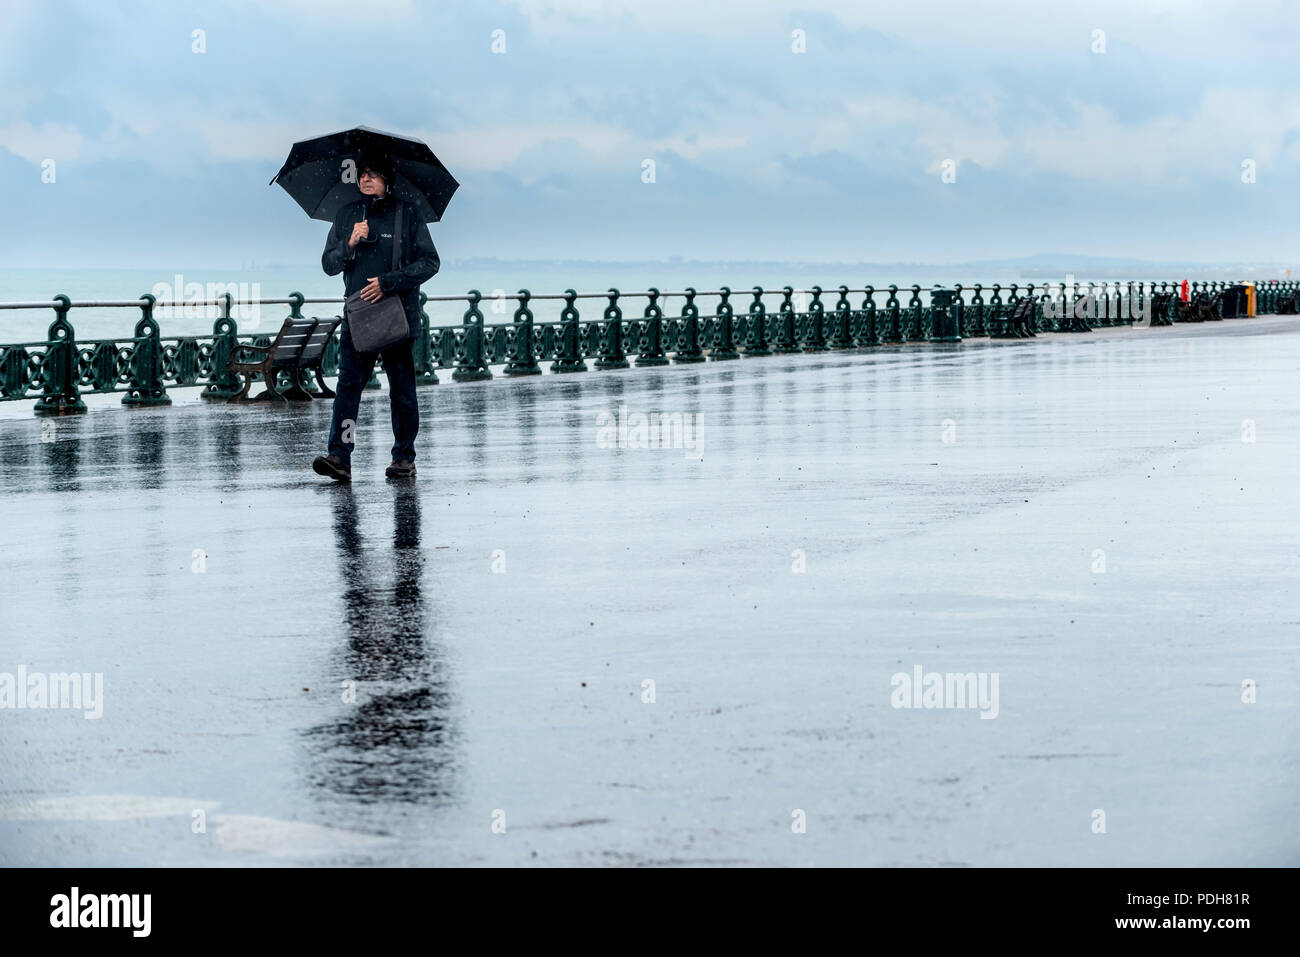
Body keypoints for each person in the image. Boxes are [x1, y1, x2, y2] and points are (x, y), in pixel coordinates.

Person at [312, 154, 439, 481]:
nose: (366, 179)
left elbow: (429, 263)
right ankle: (340, 455)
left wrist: (387, 283)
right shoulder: (346, 216)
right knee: (348, 387)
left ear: (388, 179)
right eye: (362, 174)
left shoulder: (407, 215)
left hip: (398, 316)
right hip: (358, 319)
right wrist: (349, 243)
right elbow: (329, 265)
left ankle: (403, 457)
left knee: (402, 390)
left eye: (373, 174)